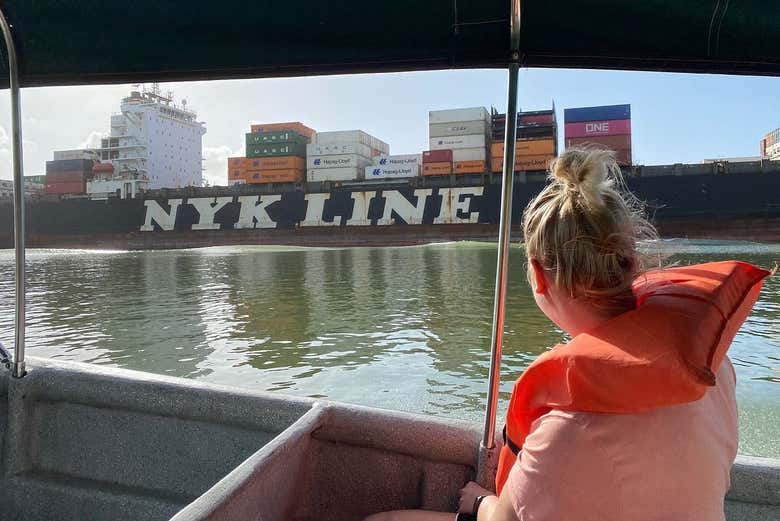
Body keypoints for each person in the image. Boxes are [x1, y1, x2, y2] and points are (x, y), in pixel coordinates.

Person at [364, 148, 770, 521]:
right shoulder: (715, 371)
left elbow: (503, 520)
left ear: (539, 278)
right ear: (631, 264)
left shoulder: (567, 430)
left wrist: (481, 501)